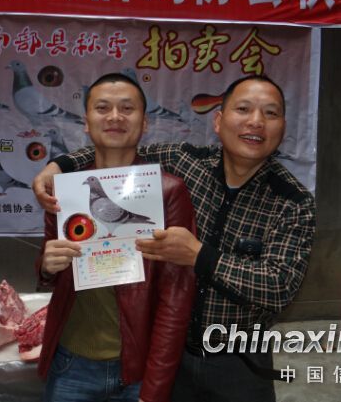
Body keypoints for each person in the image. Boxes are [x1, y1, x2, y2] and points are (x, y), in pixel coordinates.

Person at [34, 75, 316, 402]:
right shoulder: (186, 161)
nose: (255, 121)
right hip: (173, 356)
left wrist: (200, 255)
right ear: (218, 121)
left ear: (283, 126)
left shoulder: (293, 201)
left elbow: (280, 287)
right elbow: (117, 143)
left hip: (239, 363)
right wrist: (59, 164)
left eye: (270, 113)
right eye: (243, 109)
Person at [36, 73, 196, 402]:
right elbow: (50, 276)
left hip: (137, 370)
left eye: (127, 108)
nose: (114, 117)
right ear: (86, 122)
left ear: (144, 123)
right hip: (70, 365)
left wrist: (154, 388)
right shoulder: (64, 190)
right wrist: (47, 266)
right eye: (102, 108)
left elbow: (176, 299)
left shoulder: (168, 191)